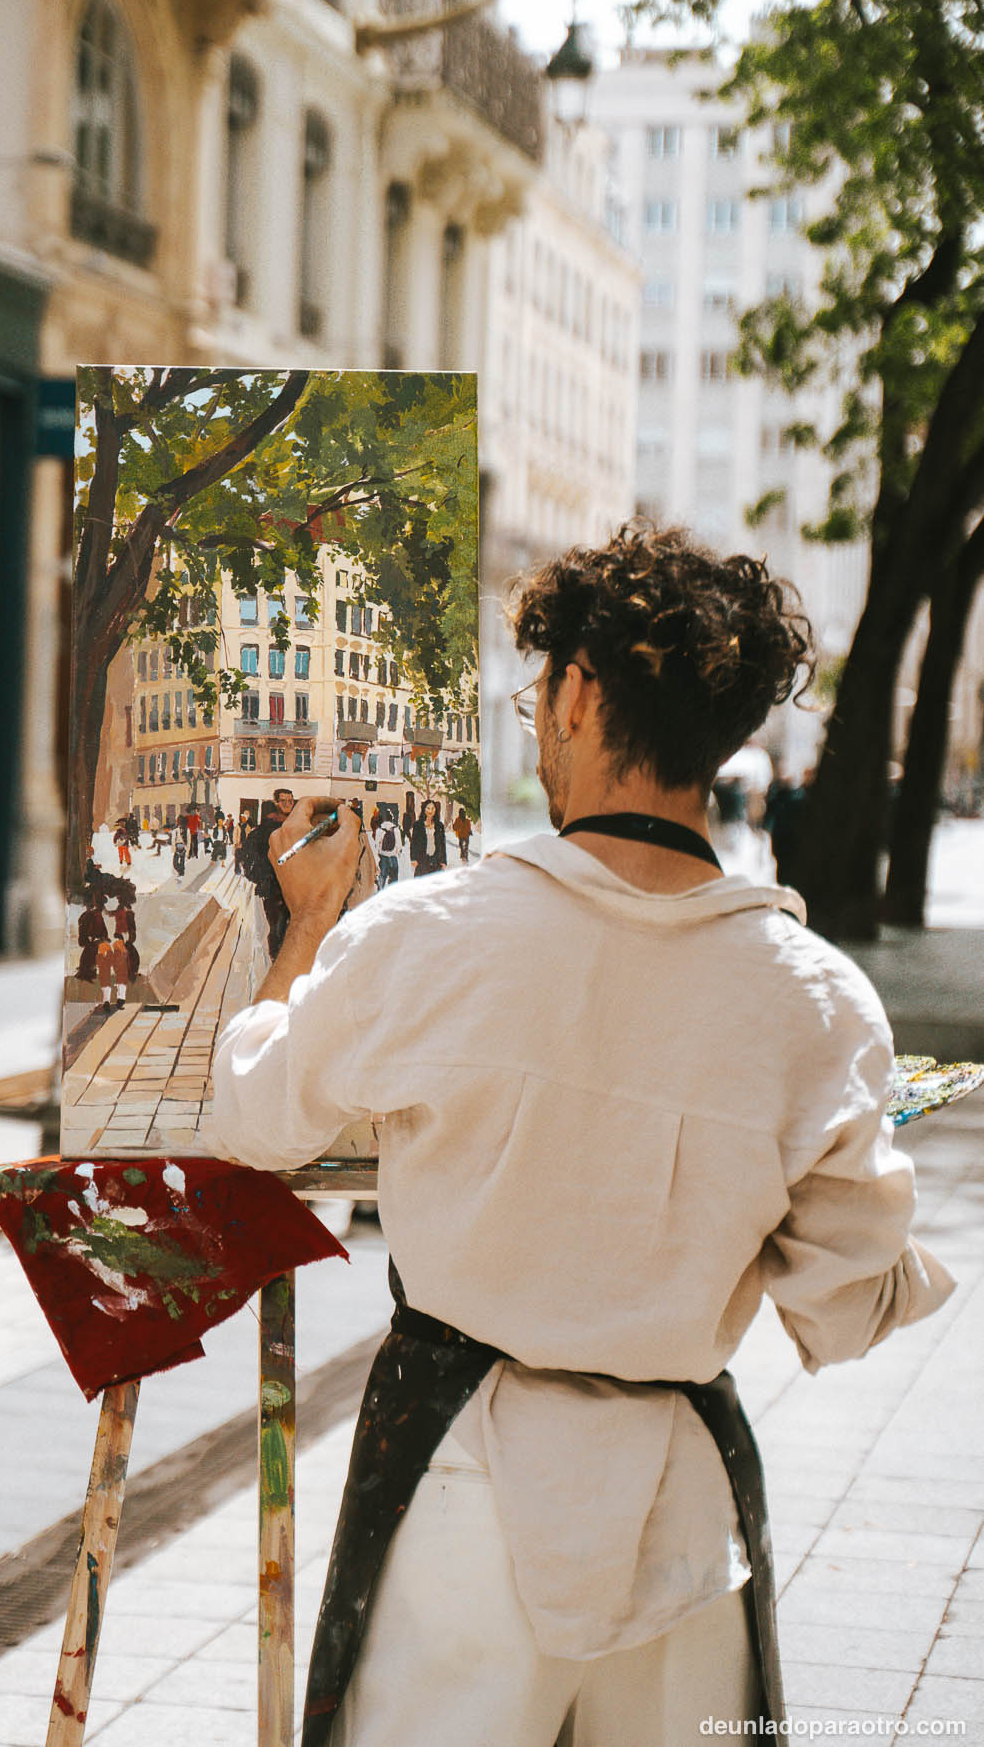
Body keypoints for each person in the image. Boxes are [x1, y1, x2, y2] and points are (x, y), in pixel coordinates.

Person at [207, 524, 953, 1747]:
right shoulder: (817, 1003)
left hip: (459, 1489)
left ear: (576, 691)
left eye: (536, 689)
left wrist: (302, 934)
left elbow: (255, 1118)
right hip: (682, 1519)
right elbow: (845, 1304)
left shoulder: (432, 934)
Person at [238, 786, 297, 957]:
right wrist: (263, 877)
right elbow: (248, 854)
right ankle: (276, 963)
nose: (288, 804)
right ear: (276, 803)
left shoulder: (298, 827)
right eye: (284, 801)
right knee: (277, 927)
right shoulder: (266, 828)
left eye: (290, 801)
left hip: (296, 886)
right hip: (273, 887)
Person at [409, 797, 447, 877]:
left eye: (433, 808)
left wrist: (443, 861)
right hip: (422, 860)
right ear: (424, 809)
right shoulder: (417, 825)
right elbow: (413, 843)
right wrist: (413, 859)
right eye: (428, 808)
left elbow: (442, 844)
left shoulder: (439, 826)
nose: (430, 811)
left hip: (436, 861)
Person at [371, 812, 401, 889]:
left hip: (383, 857)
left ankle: (380, 893)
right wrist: (396, 853)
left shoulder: (379, 830)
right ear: (392, 819)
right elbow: (399, 845)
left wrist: (378, 855)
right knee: (394, 879)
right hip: (393, 857)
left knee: (382, 878)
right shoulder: (396, 830)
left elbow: (377, 845)